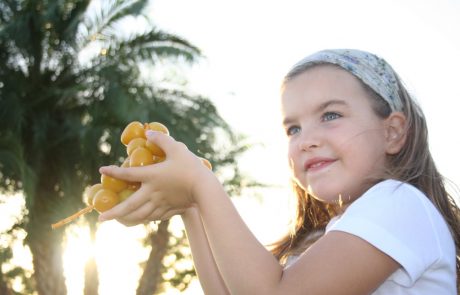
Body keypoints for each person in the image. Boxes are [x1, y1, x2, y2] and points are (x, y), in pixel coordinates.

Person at [98, 49, 460, 294]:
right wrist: (192, 206)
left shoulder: (400, 204)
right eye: (293, 129)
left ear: (392, 132)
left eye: (330, 115)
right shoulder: (337, 233)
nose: (306, 140)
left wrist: (201, 182)